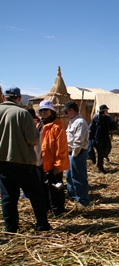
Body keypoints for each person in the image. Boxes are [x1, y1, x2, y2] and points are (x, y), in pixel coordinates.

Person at [0, 87, 51, 232]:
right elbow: (33, 139)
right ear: (18, 98)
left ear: (5, 97)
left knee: (8, 197)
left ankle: (10, 228)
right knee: (36, 195)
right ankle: (42, 225)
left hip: (2, 162)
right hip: (22, 161)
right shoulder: (22, 113)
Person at [36, 100, 70, 217]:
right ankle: (47, 208)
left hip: (52, 165)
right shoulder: (40, 125)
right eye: (41, 110)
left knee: (56, 188)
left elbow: (61, 148)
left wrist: (58, 165)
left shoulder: (57, 126)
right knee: (43, 188)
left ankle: (58, 210)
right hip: (40, 163)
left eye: (46, 110)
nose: (44, 112)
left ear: (52, 111)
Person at [62, 101, 90, 206]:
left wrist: (74, 155)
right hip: (71, 153)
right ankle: (73, 197)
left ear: (72, 110)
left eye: (66, 111)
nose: (65, 114)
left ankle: (82, 200)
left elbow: (78, 141)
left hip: (77, 154)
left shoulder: (80, 122)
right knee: (70, 176)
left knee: (78, 177)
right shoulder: (72, 122)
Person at [88, 104, 117, 174]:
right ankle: (100, 168)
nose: (107, 111)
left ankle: (103, 160)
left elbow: (111, 127)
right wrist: (91, 138)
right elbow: (91, 128)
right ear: (103, 111)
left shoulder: (107, 118)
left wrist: (114, 122)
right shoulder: (96, 118)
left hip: (105, 138)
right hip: (98, 138)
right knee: (100, 153)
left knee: (107, 149)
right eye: (106, 110)